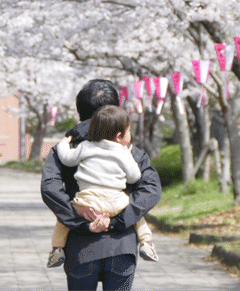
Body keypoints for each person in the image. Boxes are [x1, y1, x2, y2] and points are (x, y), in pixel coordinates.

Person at [41, 79, 162, 291]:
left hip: (80, 246)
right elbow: (150, 189)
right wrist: (118, 221)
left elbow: (50, 188)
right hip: (122, 245)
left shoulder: (66, 148)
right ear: (115, 109)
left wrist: (80, 221)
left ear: (79, 111)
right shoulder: (128, 150)